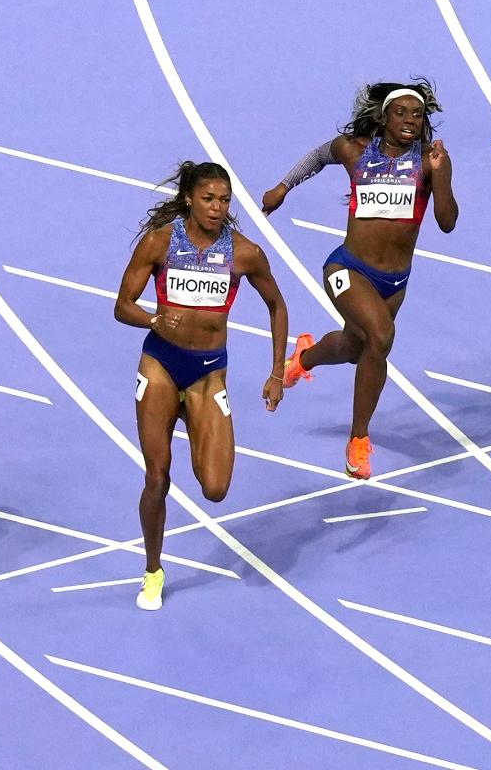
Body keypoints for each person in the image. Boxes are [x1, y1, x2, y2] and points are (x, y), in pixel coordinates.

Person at [114, 161, 288, 611]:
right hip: (160, 366)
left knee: (215, 488)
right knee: (157, 477)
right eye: (209, 199)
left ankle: (197, 422)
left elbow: (277, 305)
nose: (217, 207)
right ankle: (153, 570)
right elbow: (122, 305)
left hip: (210, 372)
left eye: (225, 200)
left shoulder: (244, 253)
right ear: (190, 198)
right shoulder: (160, 242)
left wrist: (276, 372)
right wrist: (154, 318)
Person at [262, 81, 458, 479]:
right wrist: (283, 186)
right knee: (381, 338)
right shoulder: (354, 151)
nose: (409, 121)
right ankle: (358, 441)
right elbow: (319, 156)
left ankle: (301, 359)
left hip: (394, 281)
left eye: (416, 115)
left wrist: (439, 179)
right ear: (383, 117)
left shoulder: (429, 160)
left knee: (357, 346)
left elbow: (447, 222)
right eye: (400, 113)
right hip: (347, 268)